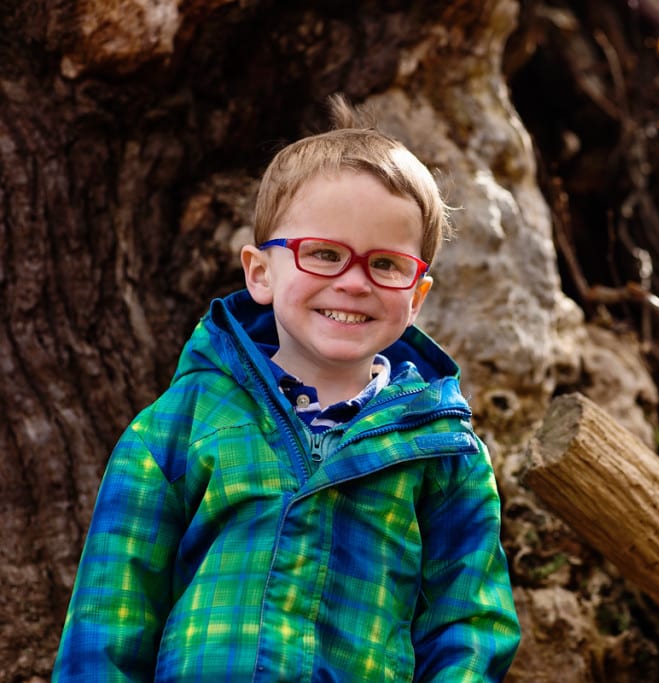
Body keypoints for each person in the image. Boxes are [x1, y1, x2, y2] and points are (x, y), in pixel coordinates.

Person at [53, 94, 521, 681]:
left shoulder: (444, 452)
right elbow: (110, 608)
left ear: (417, 294)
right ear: (260, 273)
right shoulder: (183, 421)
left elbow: (470, 623)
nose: (353, 283)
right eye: (323, 254)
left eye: (386, 265)